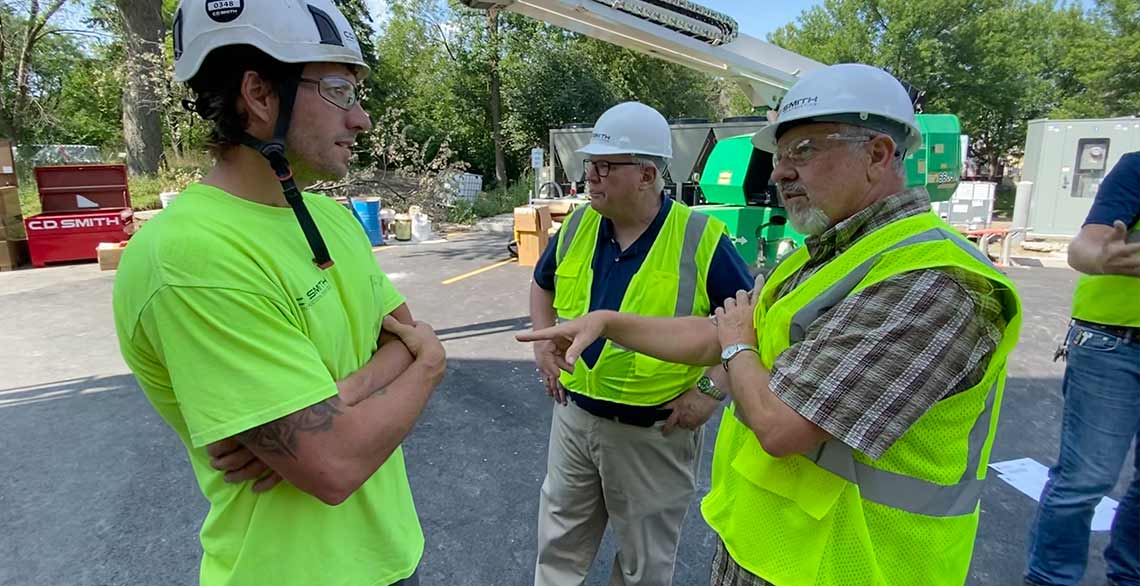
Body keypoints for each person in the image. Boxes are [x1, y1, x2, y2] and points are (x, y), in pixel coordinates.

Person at [520, 64, 1023, 585]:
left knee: (642, 562)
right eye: (780, 155)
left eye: (803, 151)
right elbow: (718, 334)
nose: (779, 173)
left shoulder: (930, 281)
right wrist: (607, 322)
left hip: (849, 564)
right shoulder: (819, 257)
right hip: (767, 545)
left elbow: (779, 422)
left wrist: (721, 372)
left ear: (877, 154)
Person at [111, 2, 445, 585]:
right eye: (340, 91)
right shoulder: (193, 257)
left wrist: (336, 397)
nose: (361, 118)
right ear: (260, 95)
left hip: (392, 556)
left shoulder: (329, 218)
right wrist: (430, 367)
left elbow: (406, 337)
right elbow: (336, 465)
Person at [529, 101, 755, 585]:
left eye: (606, 166)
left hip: (653, 433)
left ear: (648, 174)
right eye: (590, 165)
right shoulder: (577, 225)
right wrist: (541, 345)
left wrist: (712, 393)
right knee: (558, 549)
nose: (591, 175)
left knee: (643, 566)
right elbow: (541, 283)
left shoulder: (700, 237)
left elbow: (747, 324)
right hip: (574, 417)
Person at [1025, 151, 1140, 586]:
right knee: (1085, 480)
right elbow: (1084, 245)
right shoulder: (1137, 168)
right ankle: (1050, 579)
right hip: (1113, 342)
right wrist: (1103, 258)